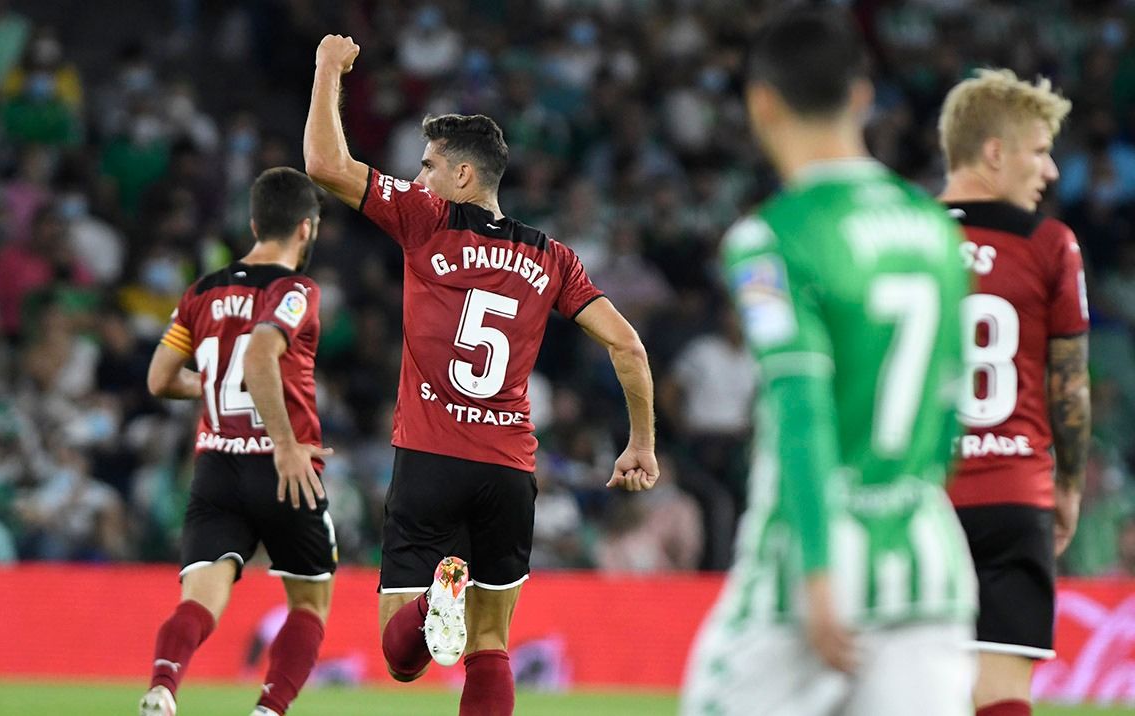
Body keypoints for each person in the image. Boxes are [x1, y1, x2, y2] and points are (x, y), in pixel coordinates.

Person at [304, 34, 658, 716]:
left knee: (400, 656)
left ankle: (438, 597)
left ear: (464, 177)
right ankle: (453, 605)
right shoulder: (553, 257)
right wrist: (640, 442)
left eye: (430, 165)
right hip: (508, 469)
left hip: (430, 458)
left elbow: (324, 162)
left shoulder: (426, 218)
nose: (422, 177)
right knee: (490, 644)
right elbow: (631, 348)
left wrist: (327, 68)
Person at [681, 8, 977, 715]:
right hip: (927, 568)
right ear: (862, 95)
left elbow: (800, 411)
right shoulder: (934, 229)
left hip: (808, 578)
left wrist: (820, 569)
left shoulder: (770, 240)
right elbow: (953, 407)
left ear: (761, 104)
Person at [138, 167, 336, 716]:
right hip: (283, 470)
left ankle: (162, 687)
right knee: (310, 603)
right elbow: (258, 353)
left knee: (200, 600)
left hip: (216, 467)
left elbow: (159, 379)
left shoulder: (201, 291)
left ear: (253, 223)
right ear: (306, 228)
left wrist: (213, 384)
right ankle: (269, 708)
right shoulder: (296, 289)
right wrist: (286, 444)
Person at [938, 68, 1090, 716]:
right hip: (1013, 499)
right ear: (995, 152)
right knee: (1002, 698)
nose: (1050, 170)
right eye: (1038, 150)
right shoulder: (1050, 244)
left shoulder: (904, 236)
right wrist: (1070, 485)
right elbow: (1070, 386)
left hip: (919, 500)